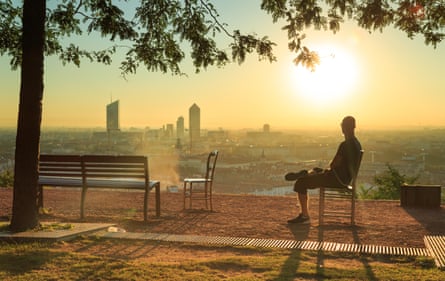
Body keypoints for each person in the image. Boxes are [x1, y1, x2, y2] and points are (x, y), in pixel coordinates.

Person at [285, 116, 362, 224]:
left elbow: (334, 164)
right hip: (343, 178)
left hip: (336, 179)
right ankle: (309, 173)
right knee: (317, 171)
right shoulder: (357, 144)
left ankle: (304, 216)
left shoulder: (345, 145)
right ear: (354, 127)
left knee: (301, 183)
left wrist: (327, 170)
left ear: (343, 128)